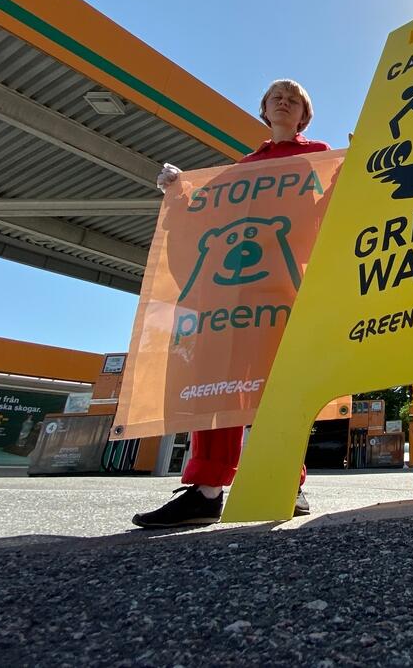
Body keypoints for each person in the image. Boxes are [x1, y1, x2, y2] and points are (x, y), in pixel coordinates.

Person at [132, 79, 328, 528]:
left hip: (287, 289)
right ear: (263, 110)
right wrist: (178, 192)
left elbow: (333, 205)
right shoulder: (242, 168)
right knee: (217, 383)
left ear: (303, 115)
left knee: (280, 384)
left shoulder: (318, 152)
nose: (283, 101)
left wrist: (357, 164)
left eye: (293, 98)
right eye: (275, 96)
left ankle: (286, 482)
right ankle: (205, 490)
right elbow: (205, 215)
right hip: (234, 294)